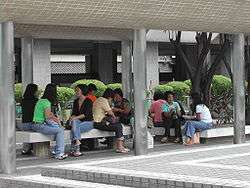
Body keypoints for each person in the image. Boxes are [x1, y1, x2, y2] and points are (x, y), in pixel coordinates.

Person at [31, 83, 68, 160]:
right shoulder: (47, 102)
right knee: (60, 131)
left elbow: (49, 115)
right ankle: (59, 153)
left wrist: (56, 122)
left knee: (57, 129)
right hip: (39, 125)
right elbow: (48, 117)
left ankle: (55, 151)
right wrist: (58, 121)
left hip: (36, 124)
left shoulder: (41, 100)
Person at [93, 88, 129, 153]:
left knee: (117, 125)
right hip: (99, 123)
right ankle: (120, 147)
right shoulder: (103, 100)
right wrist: (114, 117)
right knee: (118, 126)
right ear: (109, 97)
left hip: (97, 122)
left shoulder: (99, 99)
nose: (112, 100)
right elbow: (110, 113)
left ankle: (120, 146)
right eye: (112, 98)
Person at [69, 84, 94, 157]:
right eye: (75, 90)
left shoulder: (89, 101)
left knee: (74, 128)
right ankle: (77, 147)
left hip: (88, 122)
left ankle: (74, 148)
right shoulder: (76, 101)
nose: (76, 92)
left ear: (82, 91)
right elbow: (74, 113)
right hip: (78, 122)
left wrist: (74, 118)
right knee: (75, 124)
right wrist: (72, 117)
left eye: (77, 90)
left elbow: (86, 114)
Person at [18, 83, 39, 155]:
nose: (37, 92)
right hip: (33, 122)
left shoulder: (23, 100)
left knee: (27, 138)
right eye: (36, 90)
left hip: (24, 122)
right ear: (33, 91)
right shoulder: (36, 100)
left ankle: (26, 149)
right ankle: (32, 149)